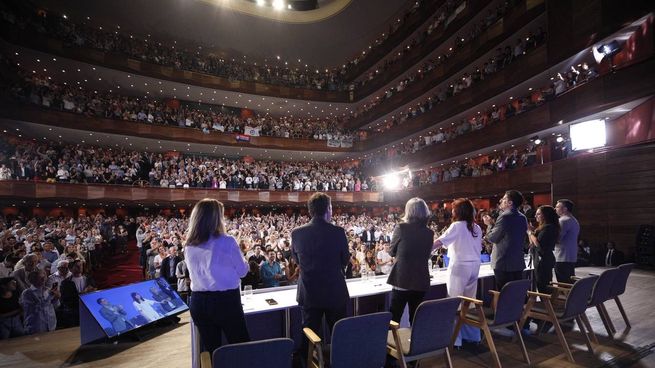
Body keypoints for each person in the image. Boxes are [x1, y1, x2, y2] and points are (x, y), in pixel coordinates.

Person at [184, 198, 250, 354]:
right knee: (242, 348)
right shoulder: (227, 241)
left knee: (214, 351)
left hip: (198, 301)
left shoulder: (188, 244)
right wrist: (244, 259)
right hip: (225, 301)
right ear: (215, 218)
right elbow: (243, 272)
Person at [291, 192, 349, 362]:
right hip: (335, 293)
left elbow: (296, 260)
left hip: (309, 293)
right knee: (340, 335)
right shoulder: (338, 232)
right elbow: (344, 260)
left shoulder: (297, 233)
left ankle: (305, 363)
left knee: (308, 335)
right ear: (328, 209)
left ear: (311, 210)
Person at [434, 198, 482, 346]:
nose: (451, 210)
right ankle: (472, 336)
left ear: (458, 211)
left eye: (454, 208)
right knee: (469, 303)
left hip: (460, 267)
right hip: (475, 266)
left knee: (453, 302)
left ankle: (455, 340)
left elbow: (438, 243)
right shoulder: (476, 227)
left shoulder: (457, 226)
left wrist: (421, 251)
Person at [386, 197, 434, 325]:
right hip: (421, 279)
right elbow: (427, 255)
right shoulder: (429, 233)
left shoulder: (401, 228)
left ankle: (392, 344)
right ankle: (415, 344)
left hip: (402, 278)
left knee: (394, 316)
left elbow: (391, 251)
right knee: (416, 317)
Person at [484, 190, 528, 290]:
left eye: (503, 199)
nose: (501, 201)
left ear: (510, 203)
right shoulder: (522, 217)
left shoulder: (505, 216)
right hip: (517, 262)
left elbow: (493, 238)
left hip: (503, 262)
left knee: (505, 294)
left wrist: (489, 225)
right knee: (516, 292)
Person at [527, 205, 559, 294]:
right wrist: (531, 232)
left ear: (546, 215)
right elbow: (532, 243)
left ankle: (546, 304)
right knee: (542, 282)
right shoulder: (544, 227)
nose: (535, 216)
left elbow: (538, 244)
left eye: (538, 214)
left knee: (543, 283)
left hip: (543, 259)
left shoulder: (549, 227)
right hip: (541, 258)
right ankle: (547, 303)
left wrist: (530, 232)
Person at [20, 270, 60, 334]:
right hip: (36, 326)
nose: (43, 279)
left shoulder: (48, 290)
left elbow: (55, 306)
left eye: (44, 277)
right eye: (40, 277)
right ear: (33, 280)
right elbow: (35, 309)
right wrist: (50, 296)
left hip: (51, 324)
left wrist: (57, 298)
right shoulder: (27, 293)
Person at [554, 199, 580, 282]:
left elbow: (557, 239)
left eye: (557, 207)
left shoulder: (563, 221)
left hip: (562, 256)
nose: (555, 209)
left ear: (565, 209)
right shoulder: (574, 220)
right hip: (570, 256)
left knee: (563, 284)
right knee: (570, 281)